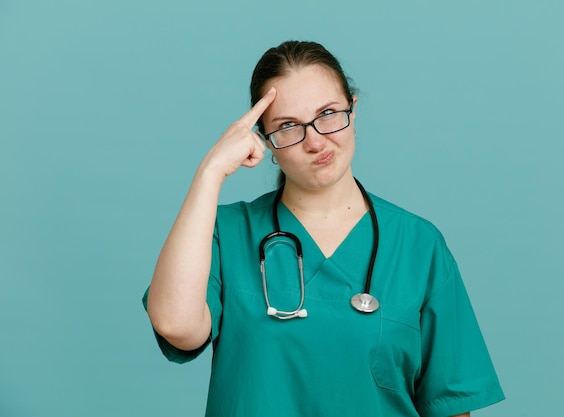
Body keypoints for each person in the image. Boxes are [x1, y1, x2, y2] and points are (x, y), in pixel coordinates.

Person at [143, 40, 505, 417]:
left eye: (328, 113)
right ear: (264, 141)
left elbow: (449, 404)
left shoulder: (418, 245)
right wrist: (210, 171)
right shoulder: (225, 234)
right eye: (288, 126)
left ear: (353, 107)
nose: (316, 141)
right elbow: (176, 325)